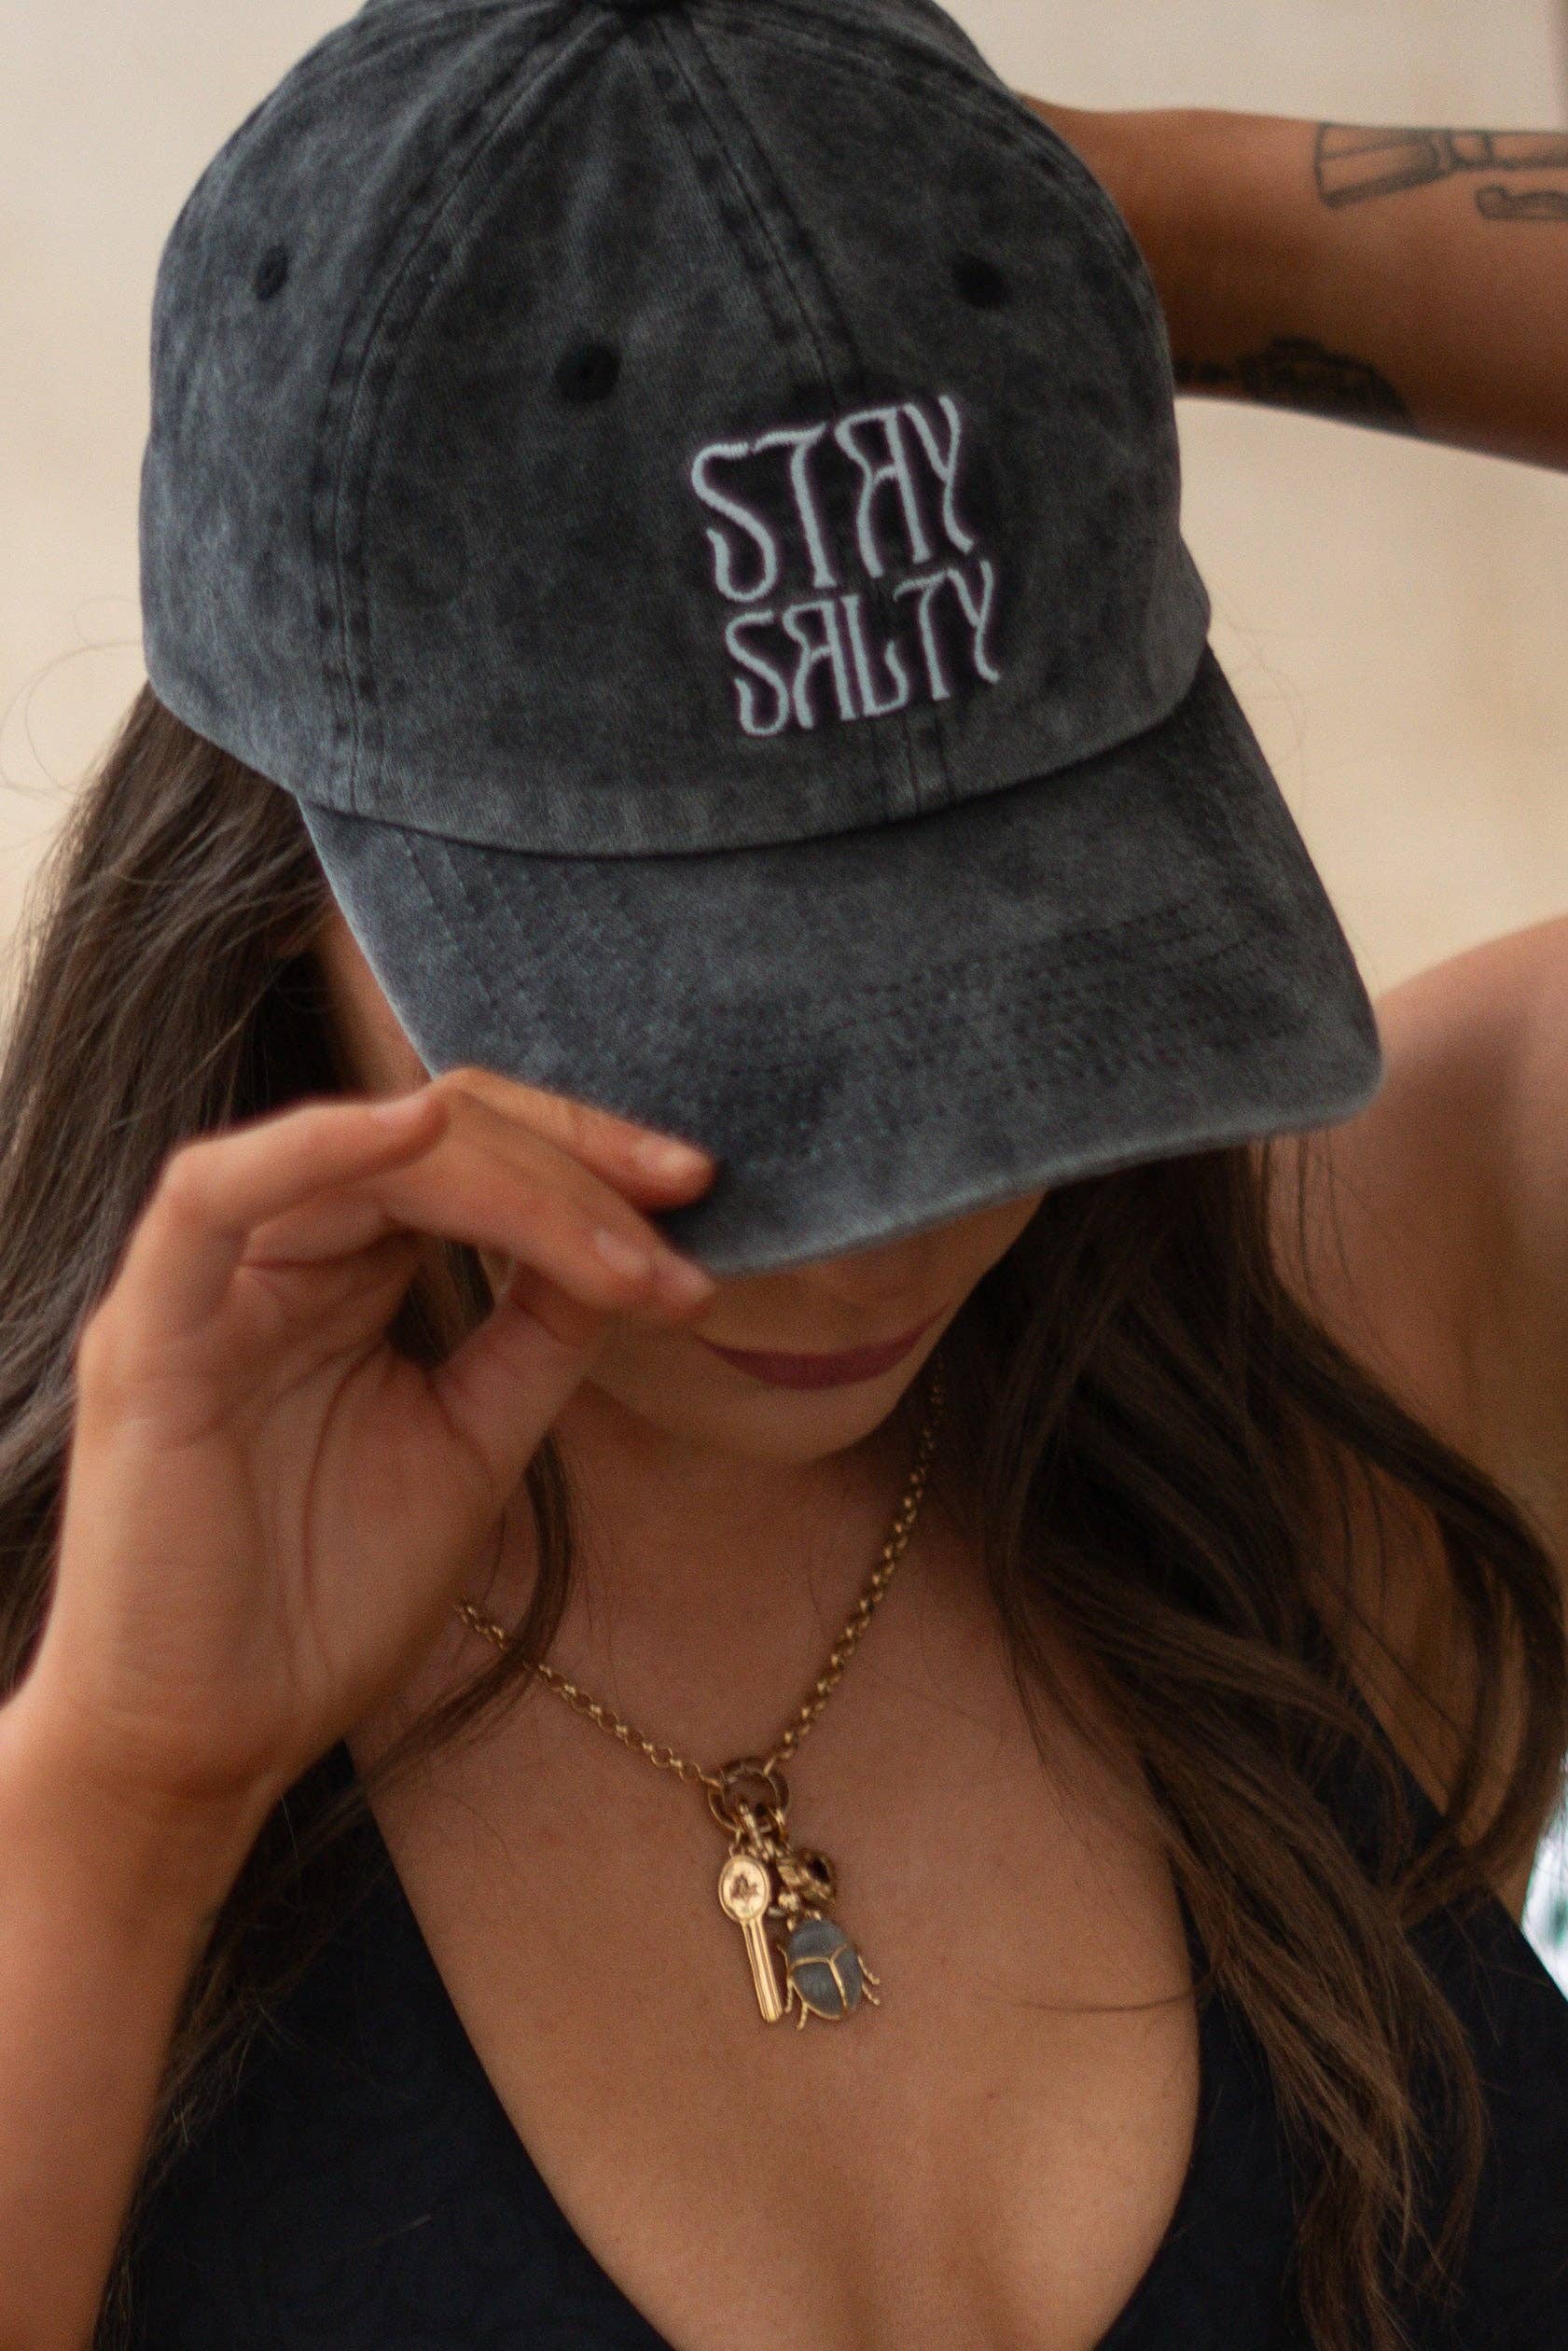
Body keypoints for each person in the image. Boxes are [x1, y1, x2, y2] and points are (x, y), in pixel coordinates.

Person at [0, 6, 1565, 2350]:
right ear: (275, 865)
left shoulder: (1353, 1338)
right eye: (703, 1019)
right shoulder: (66, 1700)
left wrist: (1042, 232)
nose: (889, 1221)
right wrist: (117, 1813)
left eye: (1024, 982)